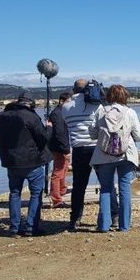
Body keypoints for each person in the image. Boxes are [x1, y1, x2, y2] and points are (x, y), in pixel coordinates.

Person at [0, 92, 52, 237]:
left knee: (14, 193)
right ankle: (31, 227)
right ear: (30, 103)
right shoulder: (31, 116)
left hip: (11, 162)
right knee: (36, 193)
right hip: (32, 161)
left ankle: (14, 228)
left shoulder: (1, 116)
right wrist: (49, 127)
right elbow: (43, 138)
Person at [89, 84, 140, 232]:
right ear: (124, 96)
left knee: (106, 189)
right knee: (125, 188)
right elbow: (139, 136)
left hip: (104, 155)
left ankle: (103, 225)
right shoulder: (130, 112)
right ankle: (124, 226)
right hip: (125, 155)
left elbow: (93, 135)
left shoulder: (100, 111)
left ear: (108, 96)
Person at [62, 79, 103, 230]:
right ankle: (113, 215)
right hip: (96, 148)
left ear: (73, 90)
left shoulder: (66, 107)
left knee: (79, 186)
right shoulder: (97, 105)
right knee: (105, 183)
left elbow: (66, 123)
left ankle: (75, 219)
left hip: (78, 149)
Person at [48, 92, 71, 208]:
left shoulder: (62, 112)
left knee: (64, 168)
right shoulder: (57, 114)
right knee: (58, 172)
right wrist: (66, 150)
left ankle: (62, 190)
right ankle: (56, 199)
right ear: (62, 101)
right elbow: (59, 133)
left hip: (62, 145)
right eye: (69, 101)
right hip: (59, 147)